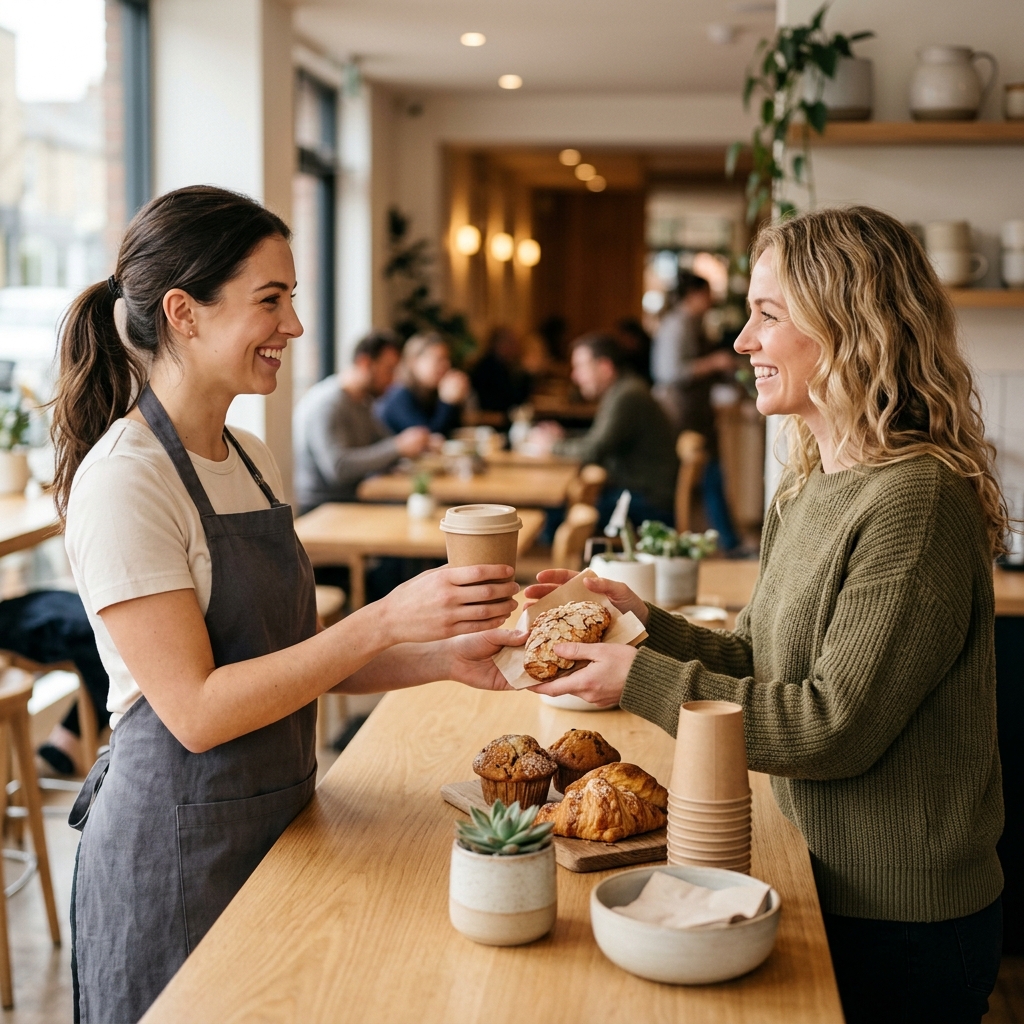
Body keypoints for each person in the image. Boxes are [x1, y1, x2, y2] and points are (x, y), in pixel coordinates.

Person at [515, 207, 1006, 1024]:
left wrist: (638, 677)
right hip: (812, 871)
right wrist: (641, 622)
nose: (742, 340)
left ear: (853, 328)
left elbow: (830, 728)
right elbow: (759, 658)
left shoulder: (914, 503)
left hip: (902, 919)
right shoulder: (811, 483)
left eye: (767, 315)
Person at [52, 185, 523, 1023]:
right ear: (183, 313)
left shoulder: (250, 455)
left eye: (293, 299)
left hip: (282, 823)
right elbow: (197, 710)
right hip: (175, 857)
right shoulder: (127, 480)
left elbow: (284, 657)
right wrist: (384, 616)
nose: (294, 327)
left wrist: (444, 658)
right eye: (270, 300)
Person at [529, 334, 678, 528]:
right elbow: (599, 439)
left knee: (552, 515)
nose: (574, 376)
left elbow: (594, 451)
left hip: (646, 501)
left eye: (581, 367)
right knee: (559, 506)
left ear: (605, 367)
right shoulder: (622, 389)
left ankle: (558, 556)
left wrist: (553, 446)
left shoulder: (627, 395)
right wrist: (563, 437)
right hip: (639, 492)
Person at [293, 330, 430, 513]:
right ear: (365, 363)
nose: (393, 379)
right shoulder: (327, 404)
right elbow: (339, 469)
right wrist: (398, 446)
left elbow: (384, 442)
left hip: (353, 499)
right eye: (389, 369)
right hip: (324, 509)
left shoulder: (363, 401)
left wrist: (414, 445)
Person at [651, 272, 739, 549]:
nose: (711, 299)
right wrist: (714, 363)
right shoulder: (678, 325)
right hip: (681, 415)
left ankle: (726, 540)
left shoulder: (692, 323)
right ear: (694, 295)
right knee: (706, 475)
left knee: (710, 475)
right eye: (707, 293)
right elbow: (669, 372)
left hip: (695, 414)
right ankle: (726, 541)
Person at [0, 590, 110, 775]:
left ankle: (67, 742)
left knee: (112, 623)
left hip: (25, 603)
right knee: (99, 633)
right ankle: (72, 740)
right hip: (14, 614)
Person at [375, 332, 469, 436]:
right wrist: (448, 403)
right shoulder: (399, 396)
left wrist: (456, 402)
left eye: (447, 359)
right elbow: (428, 438)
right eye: (439, 359)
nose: (446, 365)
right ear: (414, 362)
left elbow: (453, 433)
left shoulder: (434, 392)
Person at [469, 325, 532, 418]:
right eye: (512, 343)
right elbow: (510, 401)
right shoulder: (488, 368)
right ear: (500, 344)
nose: (517, 348)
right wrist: (528, 375)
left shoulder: (501, 364)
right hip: (490, 419)